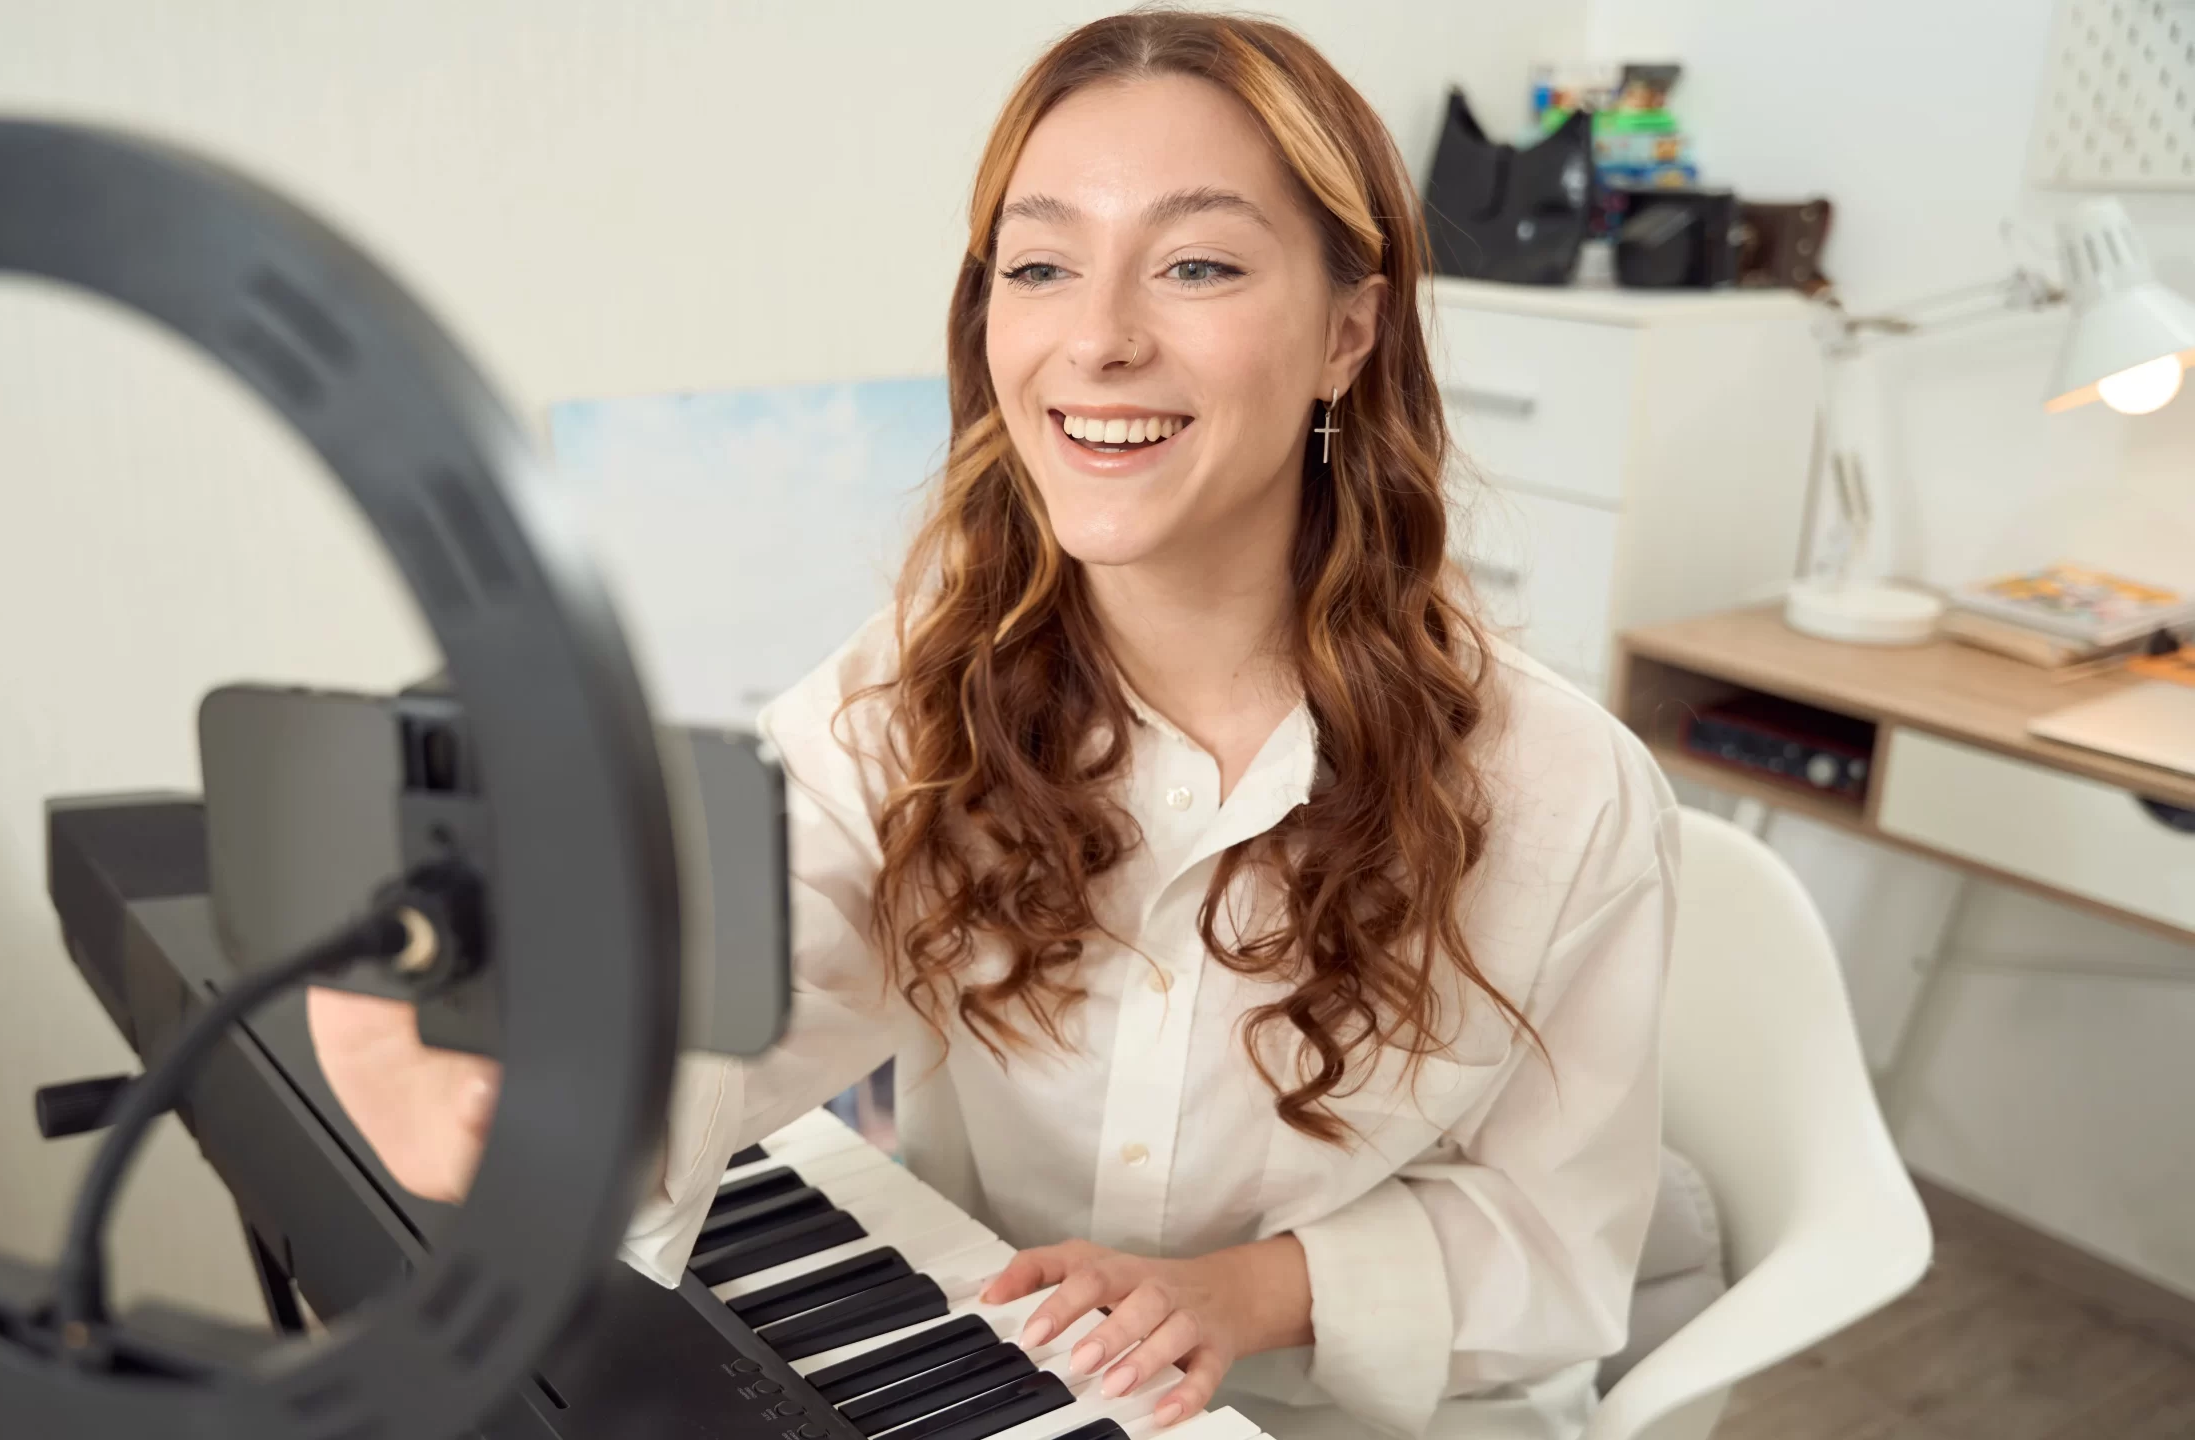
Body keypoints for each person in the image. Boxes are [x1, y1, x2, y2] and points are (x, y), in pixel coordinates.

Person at [309, 11, 1678, 1438]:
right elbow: (742, 951)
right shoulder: (917, 696)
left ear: (1350, 330)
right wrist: (522, 1084)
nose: (1097, 340)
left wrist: (1244, 1291)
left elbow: (1556, 1253)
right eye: (1039, 267)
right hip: (989, 1369)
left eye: (1197, 263)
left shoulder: (1569, 796)